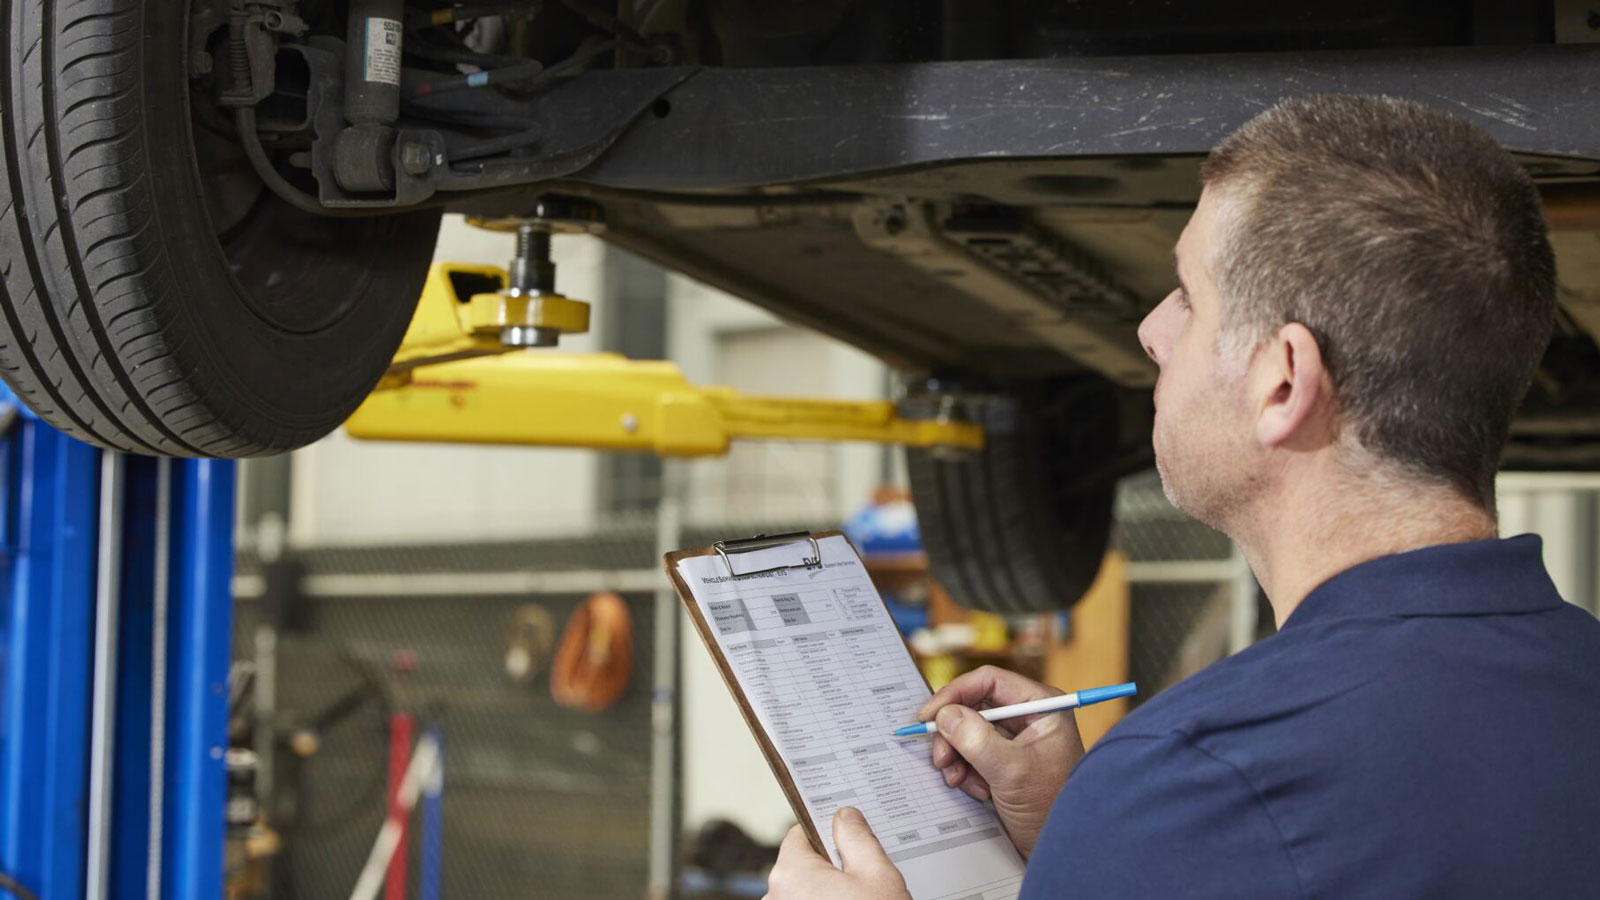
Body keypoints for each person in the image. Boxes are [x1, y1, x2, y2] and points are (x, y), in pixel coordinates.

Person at [762, 93, 1600, 899]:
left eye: (1190, 298)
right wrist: (1080, 843)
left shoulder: (1198, 781)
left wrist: (1125, 826)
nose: (1151, 329)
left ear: (1282, 383)